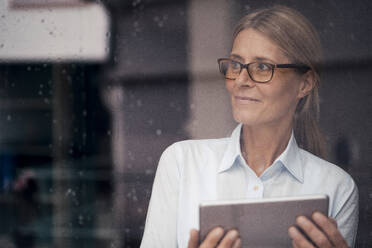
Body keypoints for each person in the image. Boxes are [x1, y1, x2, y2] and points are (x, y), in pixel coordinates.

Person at [140, 5, 358, 248]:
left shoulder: (337, 187)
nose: (241, 80)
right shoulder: (182, 162)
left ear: (304, 83)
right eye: (235, 64)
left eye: (262, 67)